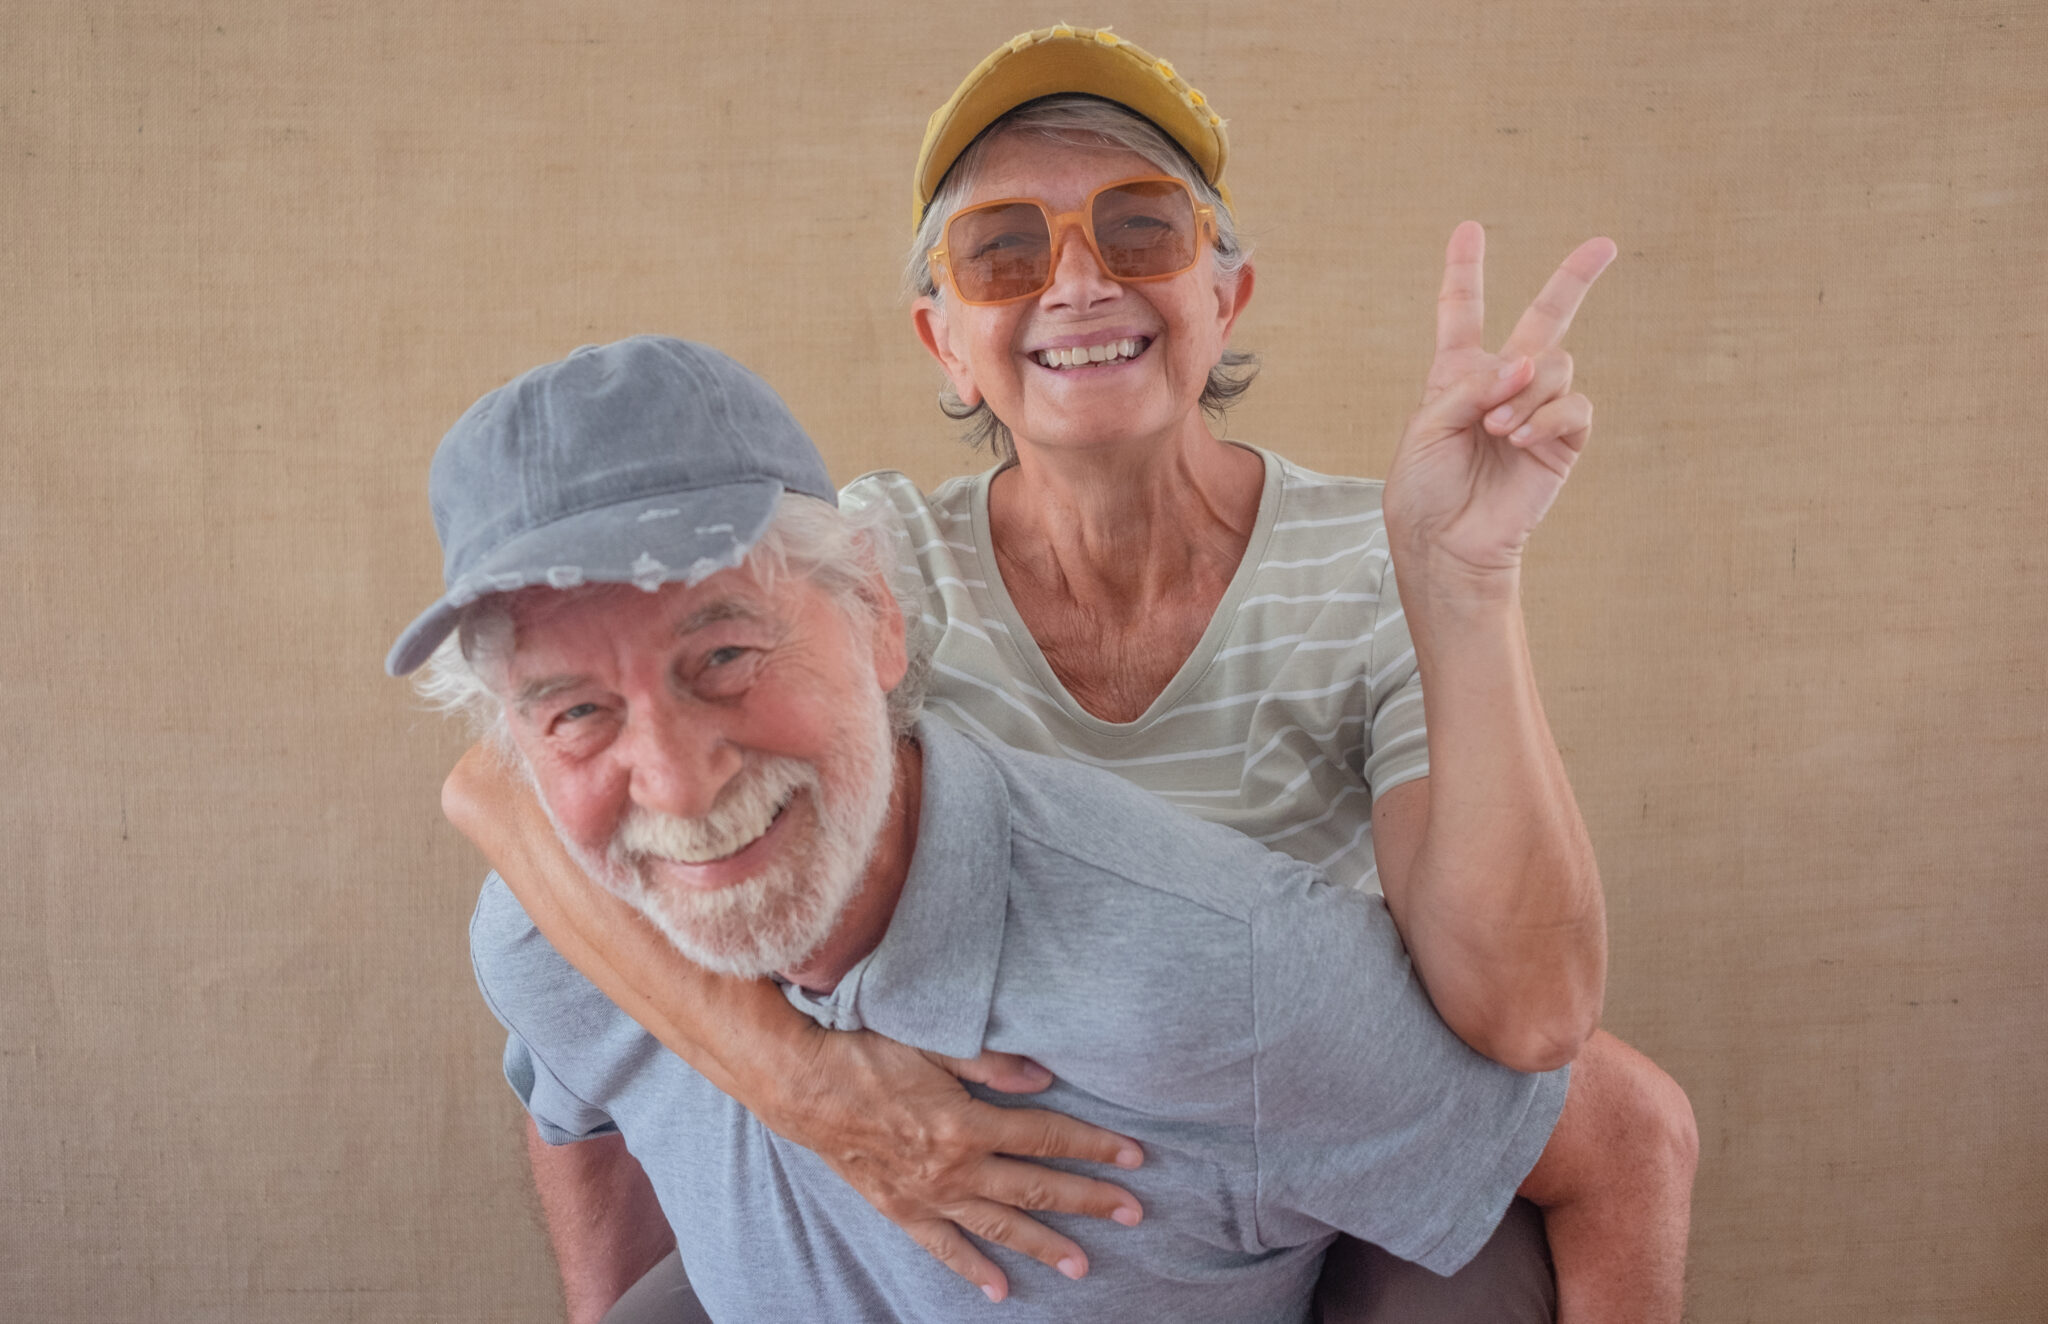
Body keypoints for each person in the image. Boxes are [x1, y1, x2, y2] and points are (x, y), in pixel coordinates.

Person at [437, 25, 1696, 1323]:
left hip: (1283, 1141)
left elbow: (1530, 1018)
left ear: (1227, 295)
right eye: (1004, 250)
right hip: (947, 1177)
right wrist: (805, 1091)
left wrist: (1463, 585)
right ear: (942, 336)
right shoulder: (878, 560)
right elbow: (503, 785)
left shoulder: (1371, 561)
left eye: (1141, 230)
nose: (1079, 282)